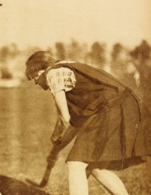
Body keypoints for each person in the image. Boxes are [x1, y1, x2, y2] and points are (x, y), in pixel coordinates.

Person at [25, 51, 151, 195]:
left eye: (35, 77)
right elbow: (75, 124)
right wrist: (58, 148)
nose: (35, 82)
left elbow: (64, 118)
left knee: (76, 164)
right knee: (95, 166)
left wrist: (55, 135)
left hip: (113, 109)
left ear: (43, 69)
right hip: (124, 107)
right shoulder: (65, 70)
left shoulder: (53, 74)